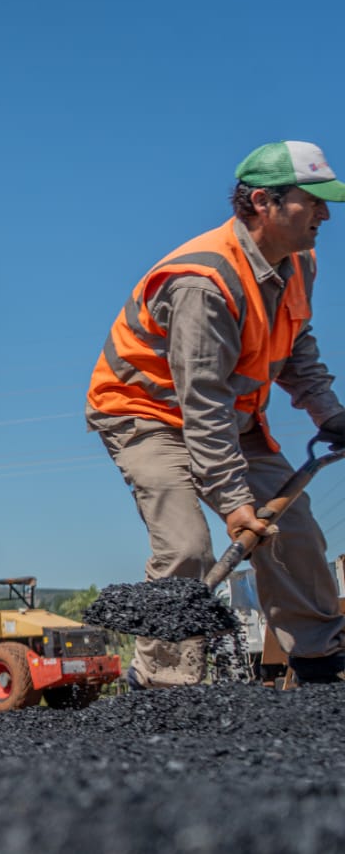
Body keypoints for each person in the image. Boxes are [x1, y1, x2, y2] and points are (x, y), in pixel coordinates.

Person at [87, 140, 345, 688]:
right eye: (313, 201)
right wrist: (233, 503)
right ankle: (163, 684)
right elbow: (201, 402)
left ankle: (321, 665)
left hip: (234, 417)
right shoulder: (202, 282)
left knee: (294, 532)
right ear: (263, 202)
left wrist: (329, 415)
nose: (325, 214)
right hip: (148, 414)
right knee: (187, 547)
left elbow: (296, 345)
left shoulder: (298, 262)